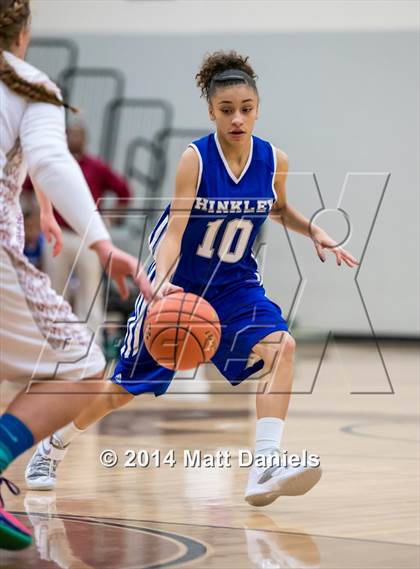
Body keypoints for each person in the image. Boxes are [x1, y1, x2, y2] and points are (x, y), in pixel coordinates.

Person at [26, 50, 358, 506]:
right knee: (120, 390)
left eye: (246, 109)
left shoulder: (273, 159)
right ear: (210, 111)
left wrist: (312, 228)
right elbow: (175, 231)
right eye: (226, 111)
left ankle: (264, 467)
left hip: (236, 284)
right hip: (180, 286)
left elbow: (276, 208)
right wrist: (160, 281)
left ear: (258, 108)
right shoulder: (195, 160)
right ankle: (52, 446)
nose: (237, 119)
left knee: (283, 347)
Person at [0, 0, 151, 550]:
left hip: (37, 232)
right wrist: (106, 244)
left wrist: (39, 195)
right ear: (24, 33)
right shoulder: (27, 82)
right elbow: (51, 159)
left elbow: (33, 161)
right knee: (84, 367)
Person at [23, 123, 132, 340]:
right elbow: (26, 187)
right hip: (57, 235)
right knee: (54, 291)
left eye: (78, 134)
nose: (74, 138)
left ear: (85, 138)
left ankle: (92, 345)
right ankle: (52, 341)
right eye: (71, 134)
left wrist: (109, 219)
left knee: (90, 293)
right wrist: (35, 215)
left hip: (88, 237)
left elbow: (124, 191)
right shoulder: (55, 164)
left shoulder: (96, 166)